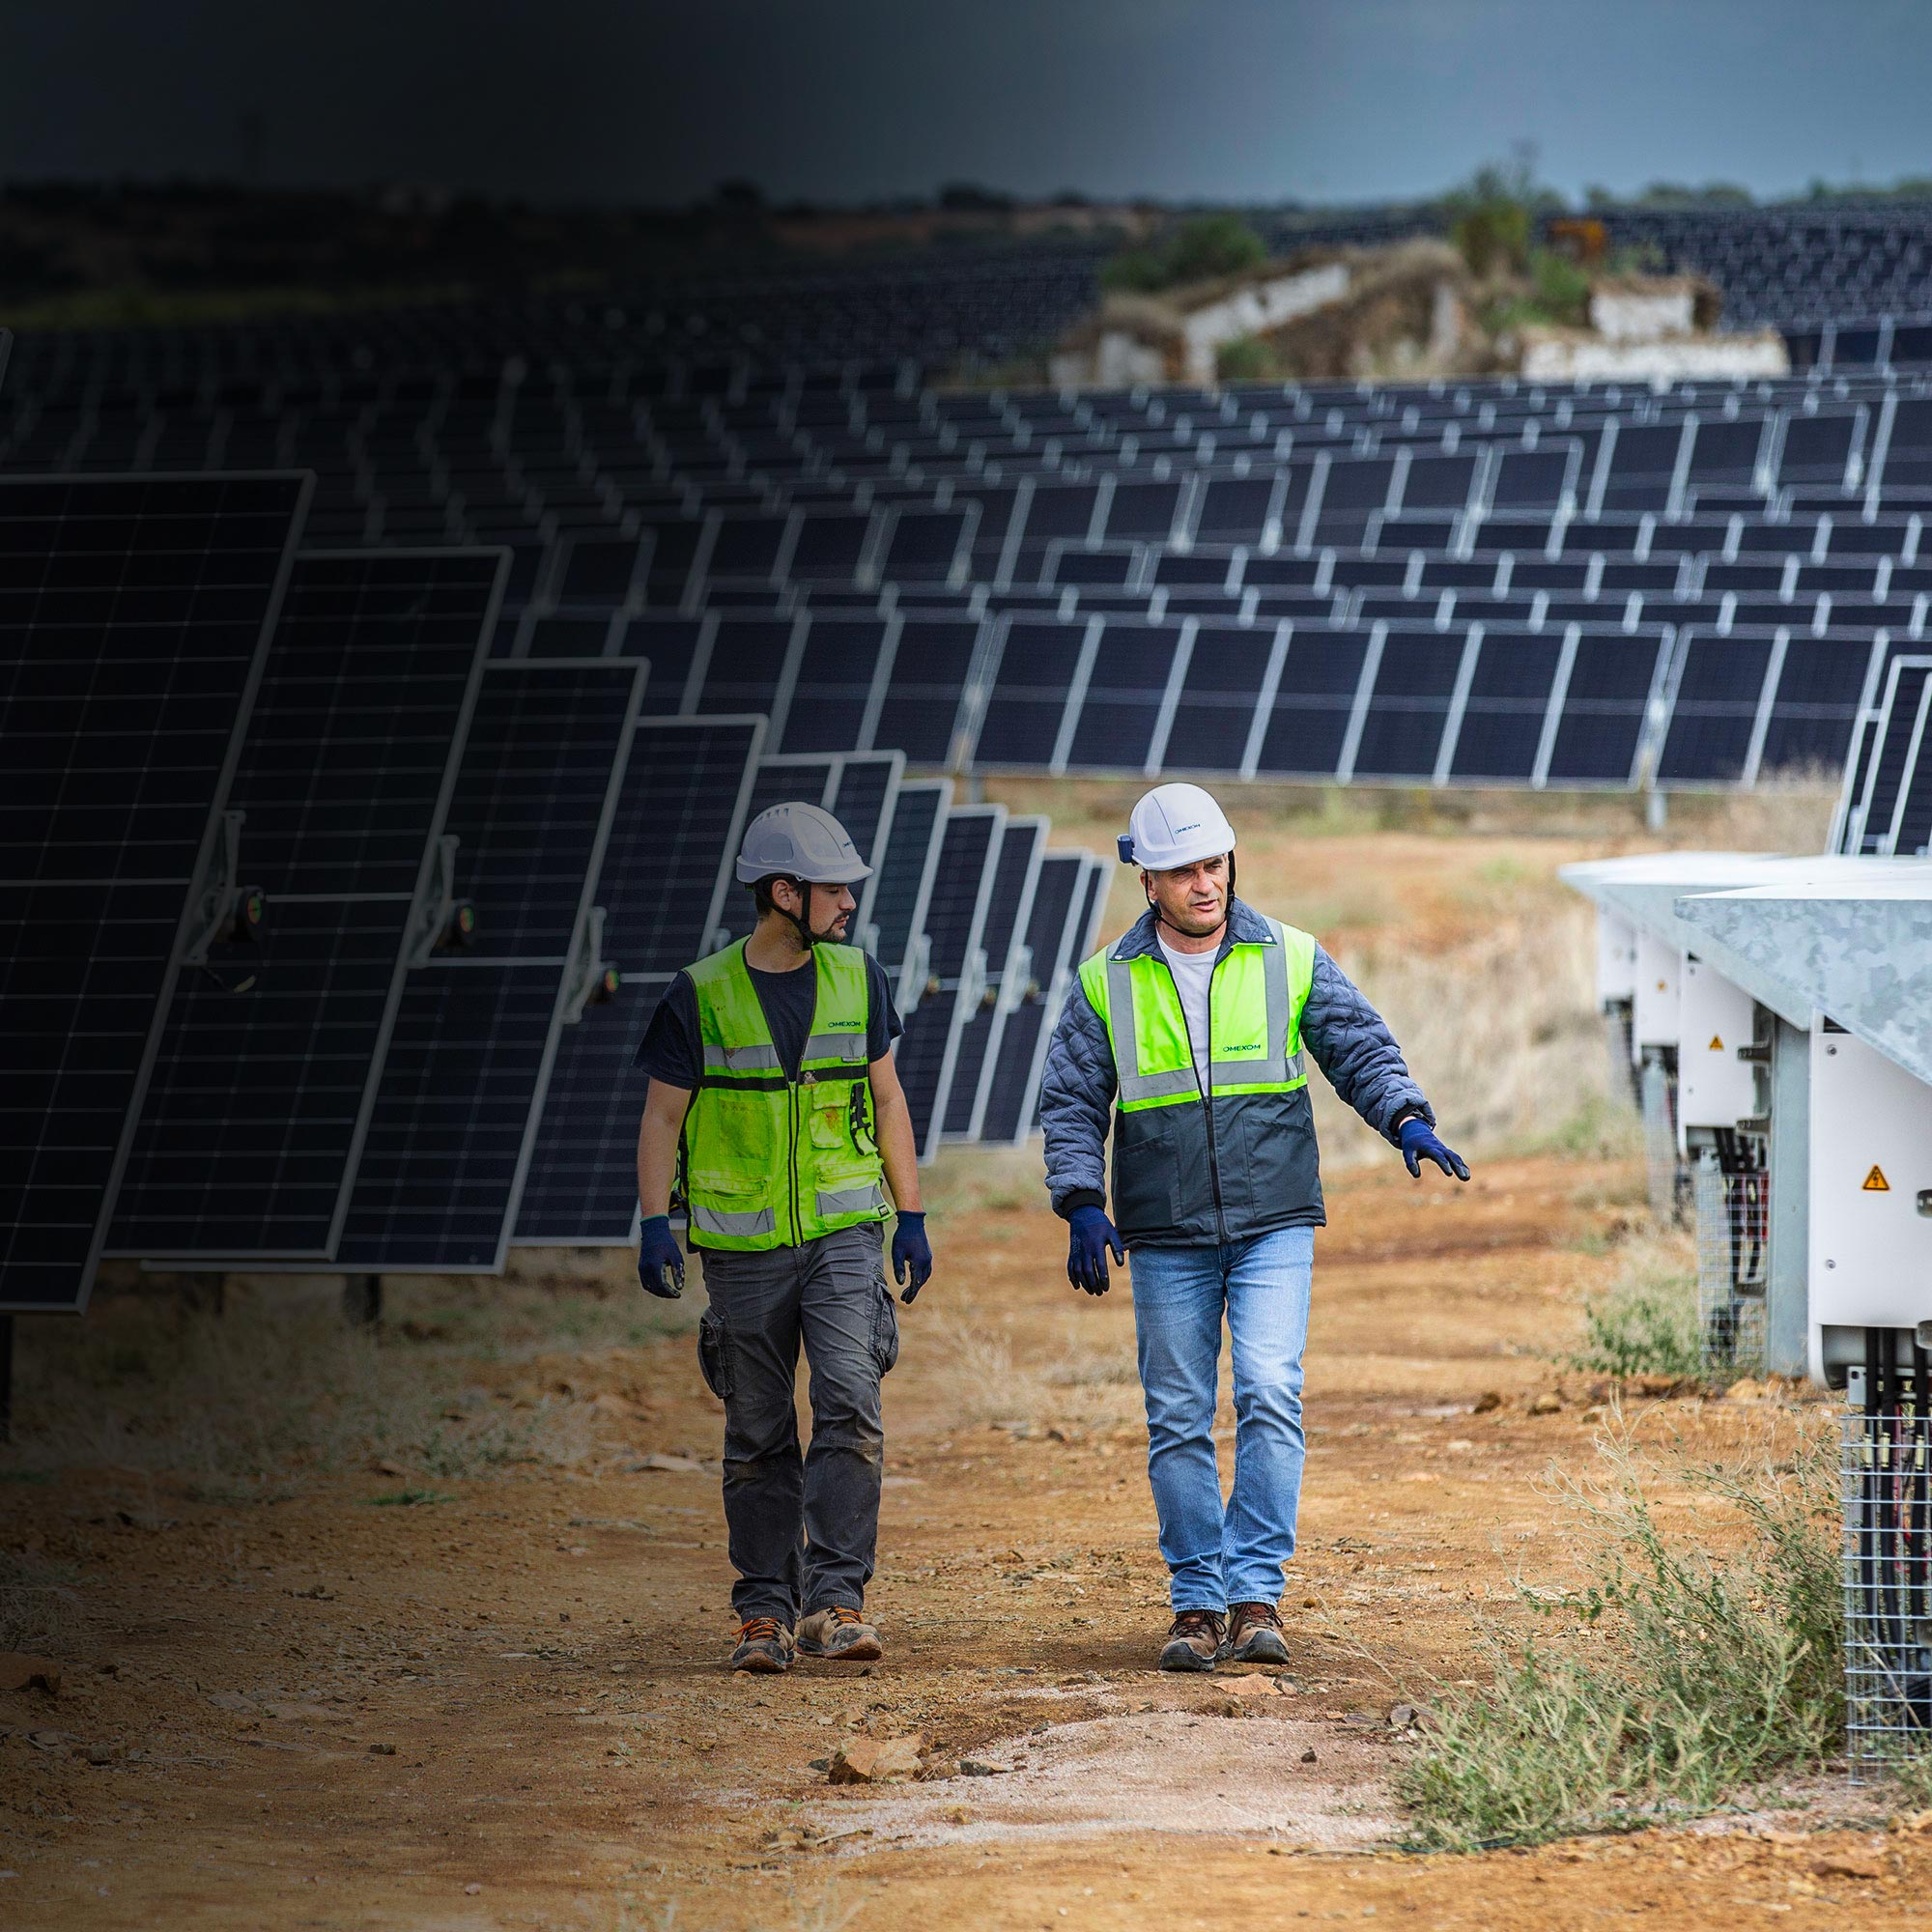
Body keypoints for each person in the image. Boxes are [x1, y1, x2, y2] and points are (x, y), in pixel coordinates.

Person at [1038, 782, 1467, 1673]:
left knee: (1271, 1391)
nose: (1206, 883)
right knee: (1180, 1415)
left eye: (1215, 863)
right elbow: (1074, 1101)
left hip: (1274, 1220)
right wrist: (1082, 1199)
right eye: (1185, 870)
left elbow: (1357, 1045)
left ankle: (1256, 1594)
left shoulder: (1291, 955)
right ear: (1147, 880)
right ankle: (1196, 1601)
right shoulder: (1103, 982)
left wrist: (1406, 1118)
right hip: (1164, 1233)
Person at [632, 802, 934, 1674]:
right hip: (742, 1248)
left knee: (850, 1400)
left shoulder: (859, 978)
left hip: (843, 1233)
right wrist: (658, 1221)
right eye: (836, 889)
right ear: (783, 892)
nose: (850, 904)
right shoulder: (700, 994)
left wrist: (909, 1214)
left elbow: (887, 1101)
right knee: (758, 1429)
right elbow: (662, 1117)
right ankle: (763, 1610)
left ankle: (836, 1602)